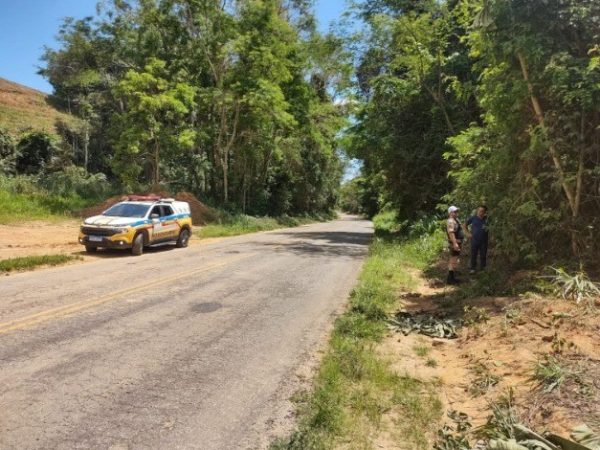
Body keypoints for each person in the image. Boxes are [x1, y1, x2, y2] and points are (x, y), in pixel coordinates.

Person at [466, 205, 489, 274]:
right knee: (473, 254)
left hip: (484, 241)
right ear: (477, 211)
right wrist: (467, 234)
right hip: (474, 240)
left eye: (482, 211)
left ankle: (483, 268)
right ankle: (473, 268)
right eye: (479, 211)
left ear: (485, 212)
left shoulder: (487, 219)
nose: (480, 212)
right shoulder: (473, 218)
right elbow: (464, 225)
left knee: (483, 255)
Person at [446, 205, 464, 284]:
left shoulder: (455, 220)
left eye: (457, 211)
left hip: (457, 242)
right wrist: (455, 243)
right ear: (450, 213)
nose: (457, 213)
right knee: (453, 260)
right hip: (454, 243)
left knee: (454, 259)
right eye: (455, 211)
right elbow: (451, 233)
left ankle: (452, 277)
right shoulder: (450, 221)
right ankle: (450, 279)